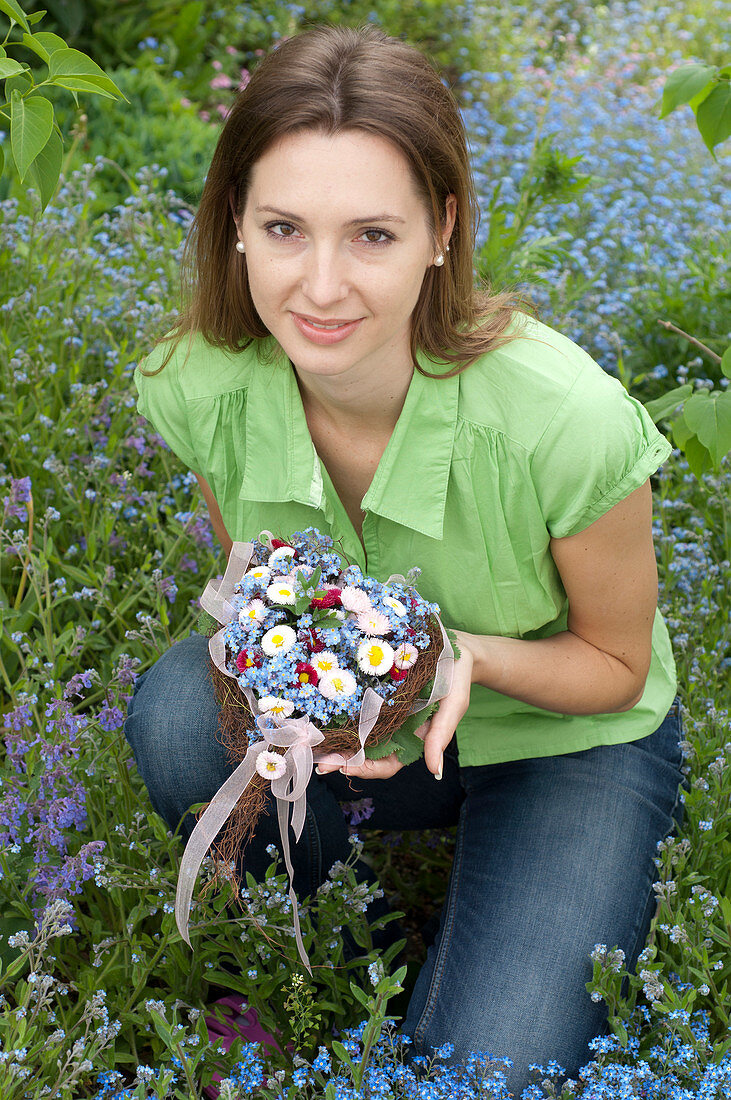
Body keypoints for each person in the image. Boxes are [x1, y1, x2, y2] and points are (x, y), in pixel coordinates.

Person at [124, 23, 686, 1094]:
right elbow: (252, 600)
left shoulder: (564, 419)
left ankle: (493, 925)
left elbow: (614, 667)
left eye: (371, 235)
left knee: (486, 1072)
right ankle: (340, 961)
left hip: (564, 733)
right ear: (234, 225)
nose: (320, 287)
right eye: (283, 227)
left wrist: (455, 653)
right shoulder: (199, 382)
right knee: (179, 714)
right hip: (365, 732)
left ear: (441, 229)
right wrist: (324, 705)